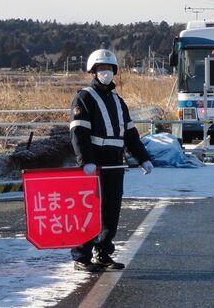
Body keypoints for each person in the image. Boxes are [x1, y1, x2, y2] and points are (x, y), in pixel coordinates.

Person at [69, 49, 154, 272]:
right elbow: (79, 133)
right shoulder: (84, 97)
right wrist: (85, 160)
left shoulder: (118, 100)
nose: (104, 72)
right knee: (89, 211)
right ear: (93, 72)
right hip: (94, 167)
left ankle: (103, 253)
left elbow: (131, 135)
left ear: (114, 71)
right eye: (100, 69)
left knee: (111, 212)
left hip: (115, 165)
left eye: (108, 68)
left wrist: (143, 158)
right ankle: (81, 256)